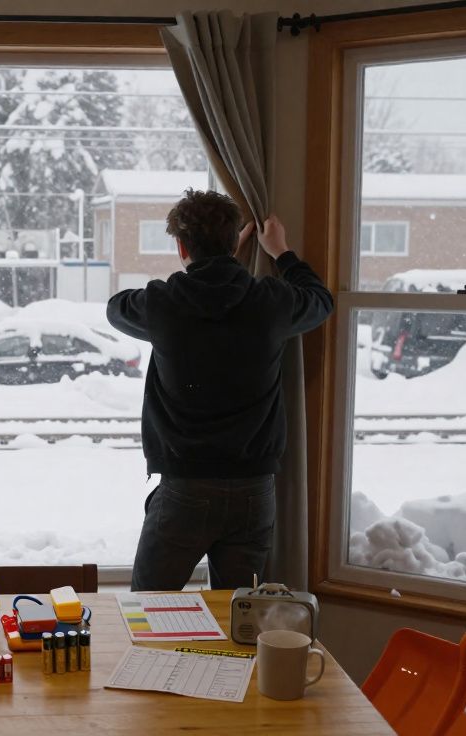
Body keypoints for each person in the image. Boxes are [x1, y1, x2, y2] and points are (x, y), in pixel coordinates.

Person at [106, 188, 333, 591]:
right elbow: (320, 300)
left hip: (185, 490)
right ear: (235, 242)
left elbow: (116, 307)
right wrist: (280, 253)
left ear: (180, 246)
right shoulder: (269, 300)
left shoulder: (163, 303)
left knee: (148, 609)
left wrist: (210, 267)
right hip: (253, 491)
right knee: (238, 618)